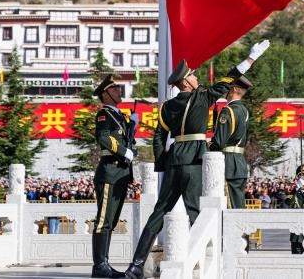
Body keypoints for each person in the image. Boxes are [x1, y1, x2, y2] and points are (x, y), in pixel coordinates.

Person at [124, 40, 269, 279]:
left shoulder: (166, 107)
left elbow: (158, 138)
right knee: (197, 213)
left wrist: (163, 163)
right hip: (195, 160)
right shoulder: (202, 98)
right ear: (185, 82)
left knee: (158, 213)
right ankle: (203, 264)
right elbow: (230, 78)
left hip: (174, 162)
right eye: (192, 75)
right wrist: (251, 58)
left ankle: (136, 266)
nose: (196, 77)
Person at [90, 74, 137, 278]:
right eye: (115, 89)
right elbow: (103, 136)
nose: (119, 91)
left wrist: (131, 126)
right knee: (103, 220)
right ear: (105, 94)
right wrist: (123, 151)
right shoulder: (104, 114)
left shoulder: (119, 115)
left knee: (112, 221)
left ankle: (104, 264)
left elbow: (126, 139)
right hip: (109, 171)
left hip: (121, 173)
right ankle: (99, 266)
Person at [209, 75, 252, 209]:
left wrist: (206, 146)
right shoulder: (244, 111)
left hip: (227, 163)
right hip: (239, 162)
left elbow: (219, 142)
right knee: (238, 205)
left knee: (230, 208)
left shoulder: (228, 111)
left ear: (232, 89)